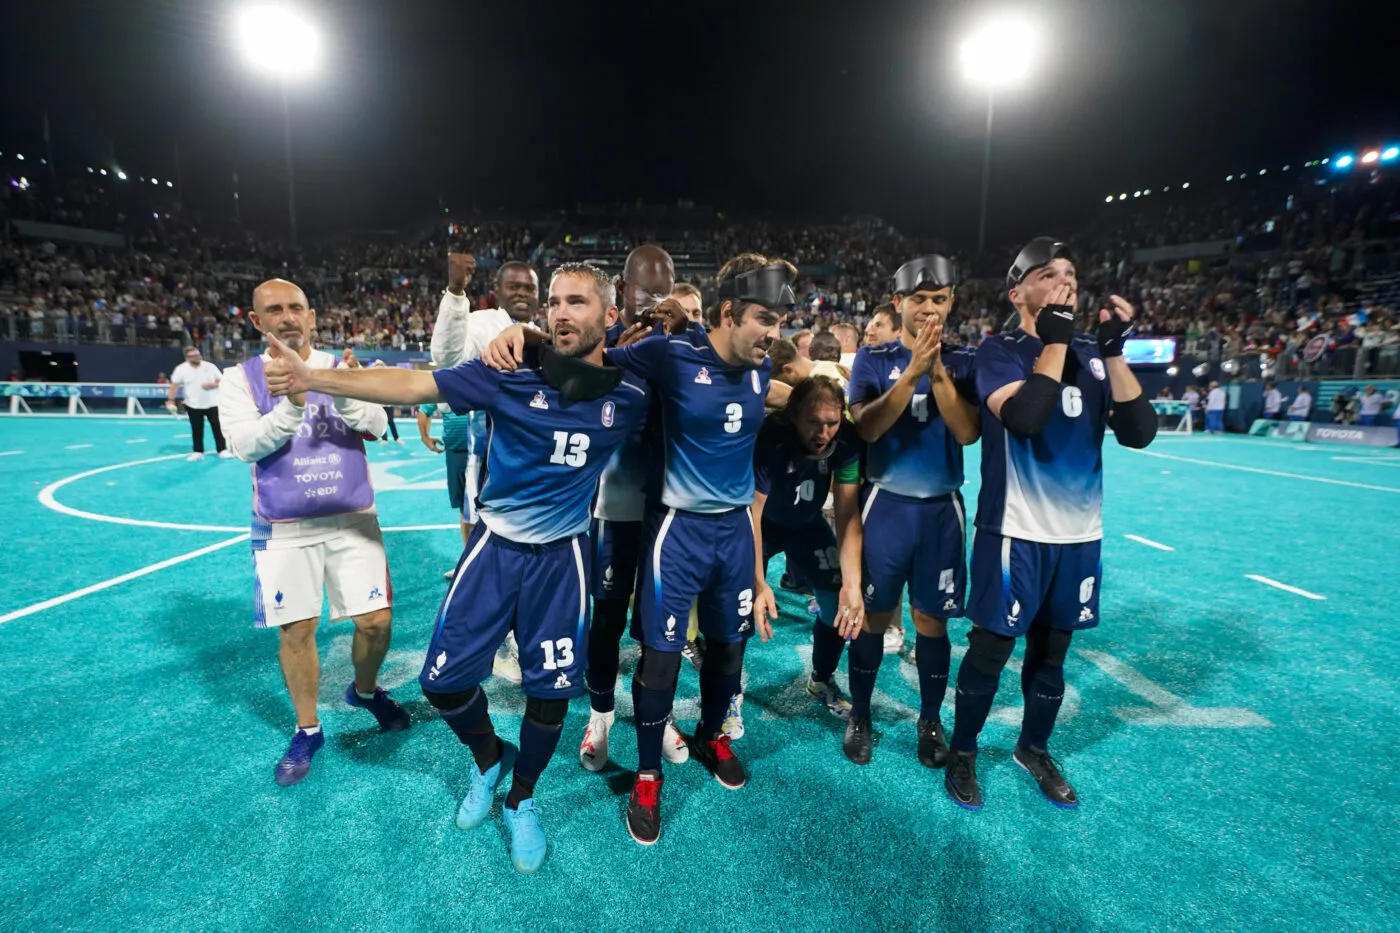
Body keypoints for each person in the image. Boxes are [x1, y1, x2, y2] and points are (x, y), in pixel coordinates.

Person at [262, 262, 650, 874]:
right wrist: (315, 377)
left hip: (564, 559)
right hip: (494, 547)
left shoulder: (632, 390)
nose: (560, 313)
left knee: (549, 695)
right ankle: (490, 757)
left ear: (610, 312)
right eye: (553, 303)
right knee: (442, 683)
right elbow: (417, 387)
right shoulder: (509, 370)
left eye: (576, 302)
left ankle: (522, 798)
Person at [489, 253, 791, 846]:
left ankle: (710, 733)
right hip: (669, 526)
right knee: (656, 654)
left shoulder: (759, 366)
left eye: (781, 320)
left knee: (727, 652)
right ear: (731, 312)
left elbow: (786, 387)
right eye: (765, 319)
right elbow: (584, 356)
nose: (774, 332)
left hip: (733, 532)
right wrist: (521, 333)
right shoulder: (667, 352)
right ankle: (644, 773)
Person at [945, 238, 1157, 811]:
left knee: (1053, 653)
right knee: (991, 649)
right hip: (1014, 532)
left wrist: (1112, 352)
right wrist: (1056, 342)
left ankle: (1033, 747)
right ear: (1018, 292)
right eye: (1048, 274)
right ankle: (963, 752)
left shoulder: (1090, 353)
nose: (1065, 281)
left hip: (1078, 536)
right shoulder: (1001, 350)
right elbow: (1025, 418)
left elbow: (1140, 432)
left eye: (1071, 272)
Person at [219, 279, 410, 789]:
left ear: (311, 315)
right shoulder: (239, 379)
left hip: (352, 519)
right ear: (256, 321)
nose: (287, 317)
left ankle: (365, 692)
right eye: (274, 310)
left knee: (375, 623)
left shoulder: (340, 367)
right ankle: (308, 728)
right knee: (297, 630)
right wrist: (294, 405)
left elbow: (376, 423)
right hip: (284, 527)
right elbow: (243, 445)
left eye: (295, 308)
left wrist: (338, 390)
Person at [846, 255, 979, 767]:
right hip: (887, 506)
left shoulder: (964, 361)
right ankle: (860, 712)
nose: (928, 308)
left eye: (939, 300)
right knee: (874, 618)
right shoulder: (874, 360)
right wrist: (910, 376)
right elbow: (868, 428)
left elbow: (968, 433)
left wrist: (937, 370)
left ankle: (929, 719)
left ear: (950, 303)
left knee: (931, 621)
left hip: (942, 508)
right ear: (898, 302)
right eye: (918, 299)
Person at [579, 245, 693, 772]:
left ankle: (657, 713)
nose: (653, 301)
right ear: (622, 292)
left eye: (663, 291)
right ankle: (600, 713)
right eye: (644, 291)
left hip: (670, 508)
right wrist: (610, 363)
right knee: (606, 614)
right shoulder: (600, 344)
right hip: (616, 501)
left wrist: (687, 329)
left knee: (659, 623)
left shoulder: (682, 345)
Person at [430, 251, 542, 685]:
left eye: (529, 287)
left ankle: (520, 636)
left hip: (537, 471)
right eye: (513, 286)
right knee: (491, 558)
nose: (521, 294)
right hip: (494, 464)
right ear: (497, 291)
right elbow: (447, 357)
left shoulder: (547, 330)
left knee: (529, 563)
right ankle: (493, 643)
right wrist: (456, 292)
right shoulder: (480, 324)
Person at [751, 375, 865, 720]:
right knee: (739, 605)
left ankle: (822, 678)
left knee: (836, 603)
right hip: (764, 525)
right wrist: (758, 583)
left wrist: (853, 583)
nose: (823, 433)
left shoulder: (847, 439)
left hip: (808, 524)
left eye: (831, 423)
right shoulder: (771, 436)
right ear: (794, 415)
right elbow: (752, 514)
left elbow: (847, 513)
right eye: (813, 423)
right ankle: (727, 692)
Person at [415, 398, 476, 576]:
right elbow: (425, 408)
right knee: (464, 508)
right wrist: (425, 436)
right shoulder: (448, 380)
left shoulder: (483, 376)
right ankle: (469, 562)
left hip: (485, 450)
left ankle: (484, 560)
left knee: (490, 506)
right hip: (457, 452)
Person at [168, 346, 231, 461]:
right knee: (196, 429)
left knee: (217, 427)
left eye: (198, 355)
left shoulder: (210, 366)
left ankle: (222, 449)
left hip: (213, 403)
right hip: (193, 405)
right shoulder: (181, 369)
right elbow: (174, 385)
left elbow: (223, 380)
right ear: (188, 358)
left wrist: (212, 385)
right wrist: (171, 400)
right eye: (194, 356)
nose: (198, 357)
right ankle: (198, 451)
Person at [767, 336, 850, 392]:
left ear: (788, 370)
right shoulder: (831, 365)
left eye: (783, 382)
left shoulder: (816, 388)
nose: (786, 385)